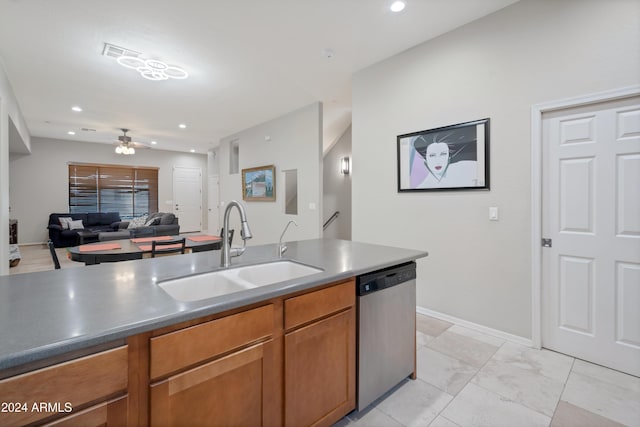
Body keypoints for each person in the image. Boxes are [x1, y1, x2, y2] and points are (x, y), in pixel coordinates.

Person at [413, 133, 478, 188]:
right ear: (425, 158)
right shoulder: (424, 186)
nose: (437, 161)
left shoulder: (469, 167)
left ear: (449, 156)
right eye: (432, 155)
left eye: (443, 154)